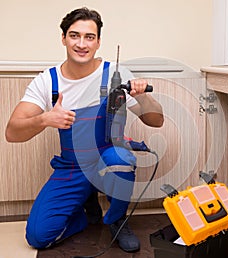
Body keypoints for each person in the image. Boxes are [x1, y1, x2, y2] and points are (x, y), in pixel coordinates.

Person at [5, 7, 164, 253]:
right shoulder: (48, 81)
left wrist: (143, 98)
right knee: (37, 236)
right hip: (72, 166)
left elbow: (156, 121)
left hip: (107, 159)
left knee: (121, 158)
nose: (81, 43)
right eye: (74, 35)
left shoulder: (114, 74)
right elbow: (12, 132)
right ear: (63, 38)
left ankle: (117, 219)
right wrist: (45, 118)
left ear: (98, 42)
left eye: (89, 37)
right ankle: (84, 210)